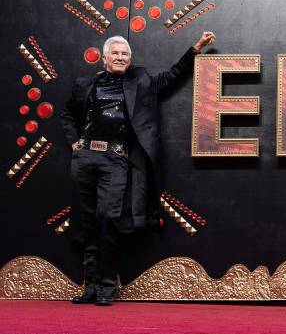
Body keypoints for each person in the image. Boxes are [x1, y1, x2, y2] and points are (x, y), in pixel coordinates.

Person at [60, 31, 216, 306]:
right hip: (85, 159)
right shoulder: (85, 84)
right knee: (88, 223)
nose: (120, 58)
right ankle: (91, 287)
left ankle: (108, 286)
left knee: (108, 219)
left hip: (116, 160)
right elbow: (67, 114)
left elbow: (170, 76)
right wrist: (74, 143)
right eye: (116, 54)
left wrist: (196, 48)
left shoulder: (140, 81)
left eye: (125, 55)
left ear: (130, 60)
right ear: (105, 57)